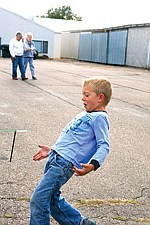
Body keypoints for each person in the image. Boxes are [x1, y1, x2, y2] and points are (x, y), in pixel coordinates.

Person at [30, 76, 112, 225]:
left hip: (64, 165)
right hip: (56, 159)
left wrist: (93, 164)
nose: (82, 98)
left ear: (100, 98)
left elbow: (104, 145)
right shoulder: (87, 114)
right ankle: (79, 223)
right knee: (52, 200)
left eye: (87, 95)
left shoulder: (100, 118)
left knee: (39, 199)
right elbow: (72, 141)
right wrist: (52, 149)